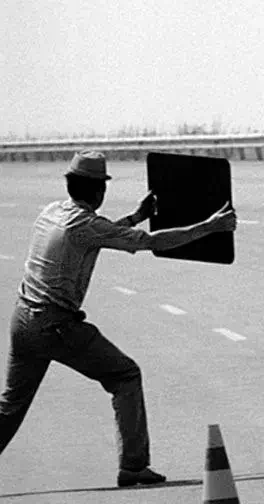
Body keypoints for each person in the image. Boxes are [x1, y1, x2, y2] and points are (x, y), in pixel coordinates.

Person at [0, 150, 237, 487]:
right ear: (99, 190)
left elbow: (100, 233)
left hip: (23, 320)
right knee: (125, 375)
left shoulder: (51, 212)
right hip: (56, 325)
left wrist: (136, 216)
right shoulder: (85, 224)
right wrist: (211, 227)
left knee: (10, 408)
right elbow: (152, 242)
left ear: (70, 184)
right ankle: (134, 466)